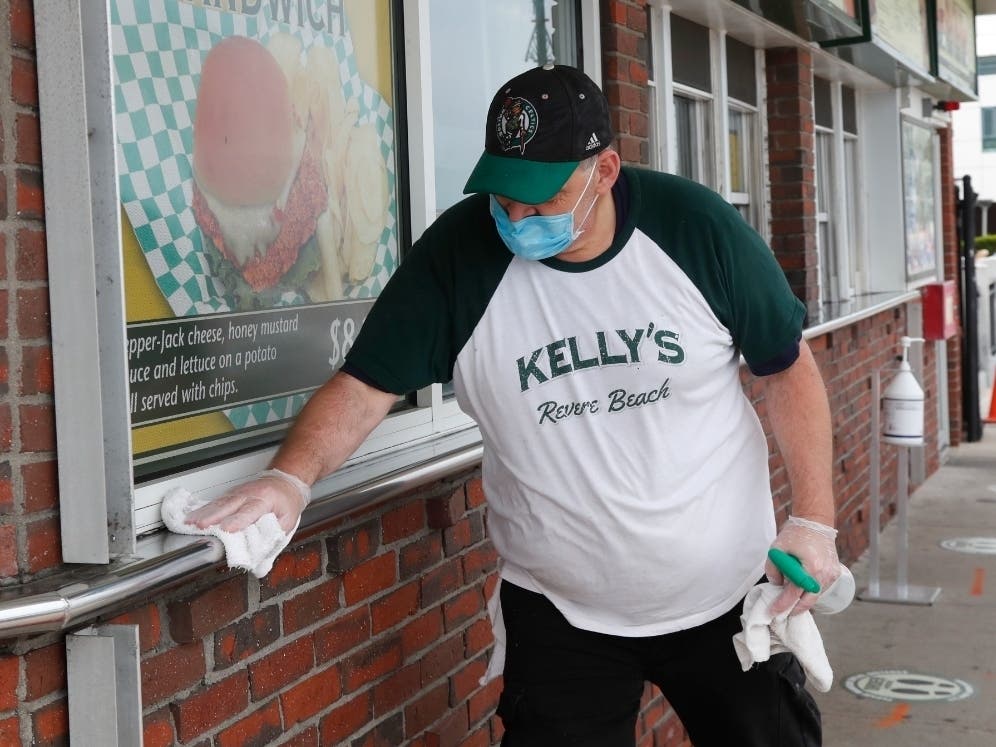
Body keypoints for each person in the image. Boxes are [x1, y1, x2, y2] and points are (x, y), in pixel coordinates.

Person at [187, 64, 840, 746]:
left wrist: (814, 521)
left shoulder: (695, 230)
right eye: (505, 198)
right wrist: (291, 479)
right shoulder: (459, 258)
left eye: (543, 198)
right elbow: (364, 385)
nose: (518, 218)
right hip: (563, 617)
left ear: (605, 170)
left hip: (727, 599)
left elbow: (786, 368)